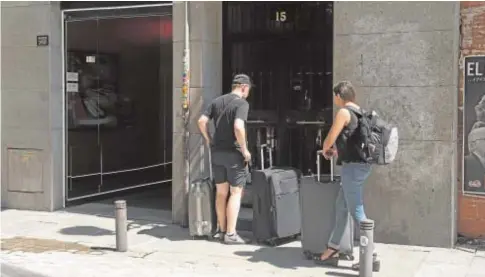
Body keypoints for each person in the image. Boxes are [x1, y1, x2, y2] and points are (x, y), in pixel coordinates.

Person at [315, 81, 373, 265]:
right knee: (341, 207)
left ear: (339, 96)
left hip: (353, 169)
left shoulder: (344, 112)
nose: (334, 100)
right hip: (360, 166)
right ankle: (333, 247)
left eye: (335, 97)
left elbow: (332, 136)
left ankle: (370, 256)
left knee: (357, 212)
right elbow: (355, 143)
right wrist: (338, 152)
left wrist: (325, 149)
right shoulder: (361, 112)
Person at [197, 74, 252, 244]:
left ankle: (221, 230)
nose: (248, 92)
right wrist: (245, 150)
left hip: (217, 153)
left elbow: (201, 121)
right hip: (234, 154)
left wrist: (208, 140)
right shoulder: (242, 103)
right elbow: (238, 126)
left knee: (221, 192)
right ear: (243, 87)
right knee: (236, 192)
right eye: (248, 89)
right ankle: (231, 233)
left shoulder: (216, 101)